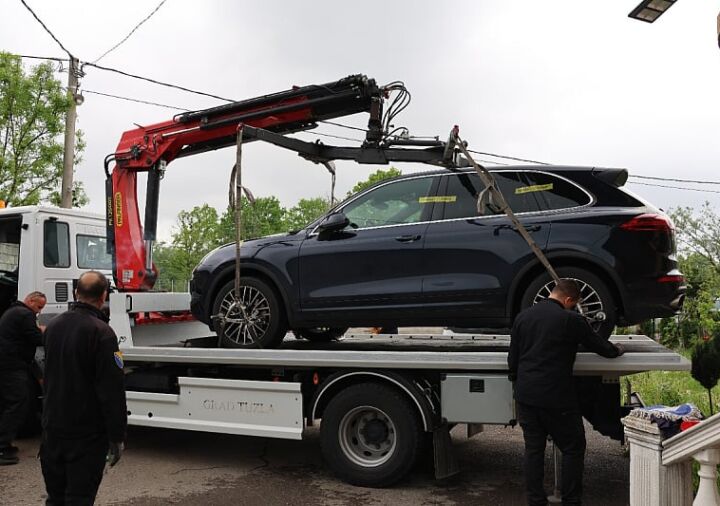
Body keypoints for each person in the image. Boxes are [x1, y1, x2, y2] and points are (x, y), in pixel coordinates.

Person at [508, 278, 624, 506]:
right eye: (574, 304)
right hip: (556, 398)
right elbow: (601, 347)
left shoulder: (523, 317)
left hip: (526, 396)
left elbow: (513, 360)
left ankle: (536, 501)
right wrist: (618, 349)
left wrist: (517, 381)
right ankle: (571, 501)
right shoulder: (571, 319)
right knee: (573, 447)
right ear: (569, 299)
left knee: (533, 450)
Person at [41, 271, 127, 505]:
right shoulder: (102, 333)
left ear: (75, 292)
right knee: (79, 498)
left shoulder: (53, 326)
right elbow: (112, 391)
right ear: (104, 296)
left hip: (52, 430)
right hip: (85, 435)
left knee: (55, 498)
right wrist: (117, 436)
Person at [0, 291, 46, 465]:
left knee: (7, 402)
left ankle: (5, 443)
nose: (39, 311)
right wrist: (46, 332)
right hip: (12, 365)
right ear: (30, 301)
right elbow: (36, 339)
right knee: (17, 402)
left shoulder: (13, 311)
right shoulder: (25, 314)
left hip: (7, 363)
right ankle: (2, 446)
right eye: (39, 306)